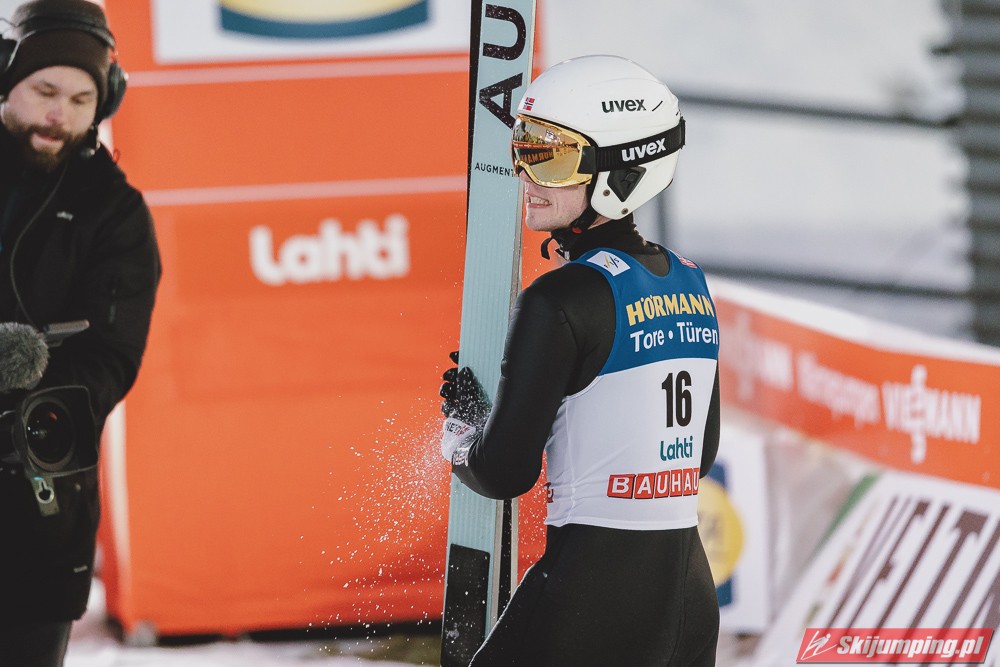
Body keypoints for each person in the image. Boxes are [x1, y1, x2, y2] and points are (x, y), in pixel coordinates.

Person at [440, 55, 721, 665]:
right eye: (524, 148)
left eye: (553, 158)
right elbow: (697, 456)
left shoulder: (558, 299)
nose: (526, 174)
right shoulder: (691, 281)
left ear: (622, 173)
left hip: (591, 603)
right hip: (688, 603)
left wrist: (460, 430)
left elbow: (502, 473)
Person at [0, 1, 160, 665]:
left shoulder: (116, 211)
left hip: (36, 526)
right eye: (45, 91)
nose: (58, 115)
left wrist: (29, 376)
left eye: (80, 99)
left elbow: (111, 358)